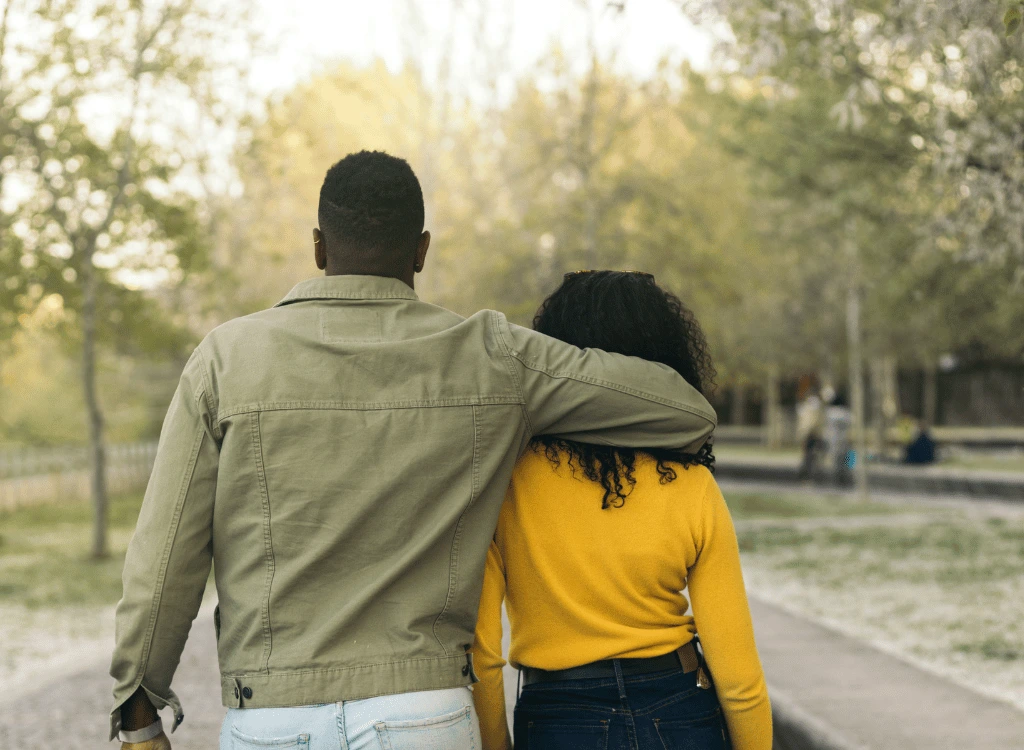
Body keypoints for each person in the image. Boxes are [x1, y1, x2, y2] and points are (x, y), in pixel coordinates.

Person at [109, 152, 718, 749]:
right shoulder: (492, 356)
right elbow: (686, 412)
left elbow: (165, 557)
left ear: (319, 246)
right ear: (421, 250)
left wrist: (139, 710)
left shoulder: (226, 358)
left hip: (271, 717)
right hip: (423, 713)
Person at [470, 271, 771, 750]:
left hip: (558, 719)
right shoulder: (691, 482)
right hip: (680, 711)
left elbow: (482, 654)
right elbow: (738, 675)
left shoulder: (506, 482)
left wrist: (495, 743)